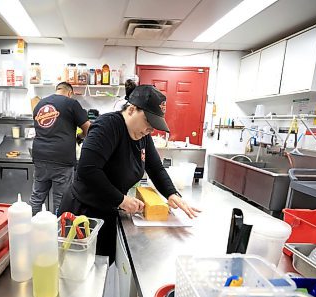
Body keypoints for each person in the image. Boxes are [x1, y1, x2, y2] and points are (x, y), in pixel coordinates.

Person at [59, 84, 200, 263]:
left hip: (107, 212)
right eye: (148, 122)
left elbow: (155, 167)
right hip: (84, 215)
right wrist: (122, 200)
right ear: (132, 109)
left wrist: (172, 194)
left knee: (100, 270)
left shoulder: (142, 135)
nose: (151, 129)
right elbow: (88, 170)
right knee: (78, 271)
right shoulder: (108, 126)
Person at [30, 82, 91, 215]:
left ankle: (32, 230)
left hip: (40, 156)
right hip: (61, 159)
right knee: (61, 200)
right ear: (70, 93)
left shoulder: (39, 104)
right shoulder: (71, 103)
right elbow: (88, 129)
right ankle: (58, 233)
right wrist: (79, 137)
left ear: (57, 90)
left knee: (37, 197)